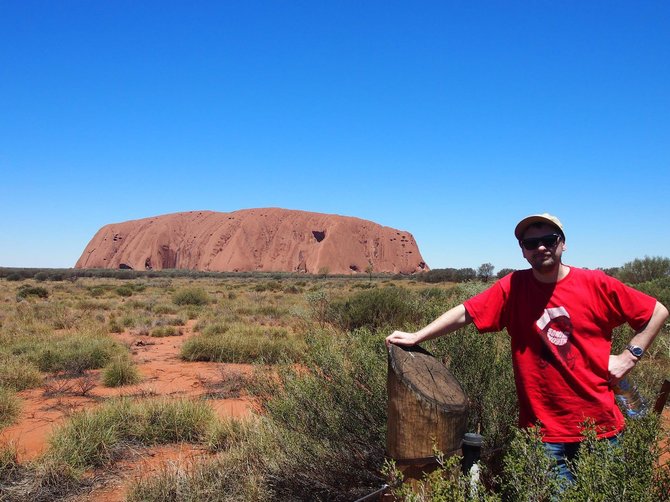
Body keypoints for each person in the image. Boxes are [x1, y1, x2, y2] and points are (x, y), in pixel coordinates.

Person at [385, 213, 669, 481]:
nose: (541, 247)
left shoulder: (595, 283)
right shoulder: (514, 287)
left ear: (563, 243)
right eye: (531, 243)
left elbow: (657, 311)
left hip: (601, 429)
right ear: (522, 250)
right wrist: (417, 336)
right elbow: (465, 313)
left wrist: (628, 357)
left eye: (550, 240)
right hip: (543, 435)